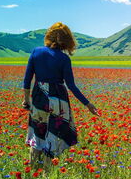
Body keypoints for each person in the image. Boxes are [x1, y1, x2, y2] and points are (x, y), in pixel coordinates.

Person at [22, 22, 99, 170]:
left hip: (39, 98)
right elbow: (71, 86)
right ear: (67, 40)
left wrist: (26, 101)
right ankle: (46, 174)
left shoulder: (36, 52)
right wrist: (88, 104)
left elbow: (27, 80)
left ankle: (32, 173)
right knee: (52, 136)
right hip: (59, 100)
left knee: (37, 135)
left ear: (49, 36)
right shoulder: (64, 59)